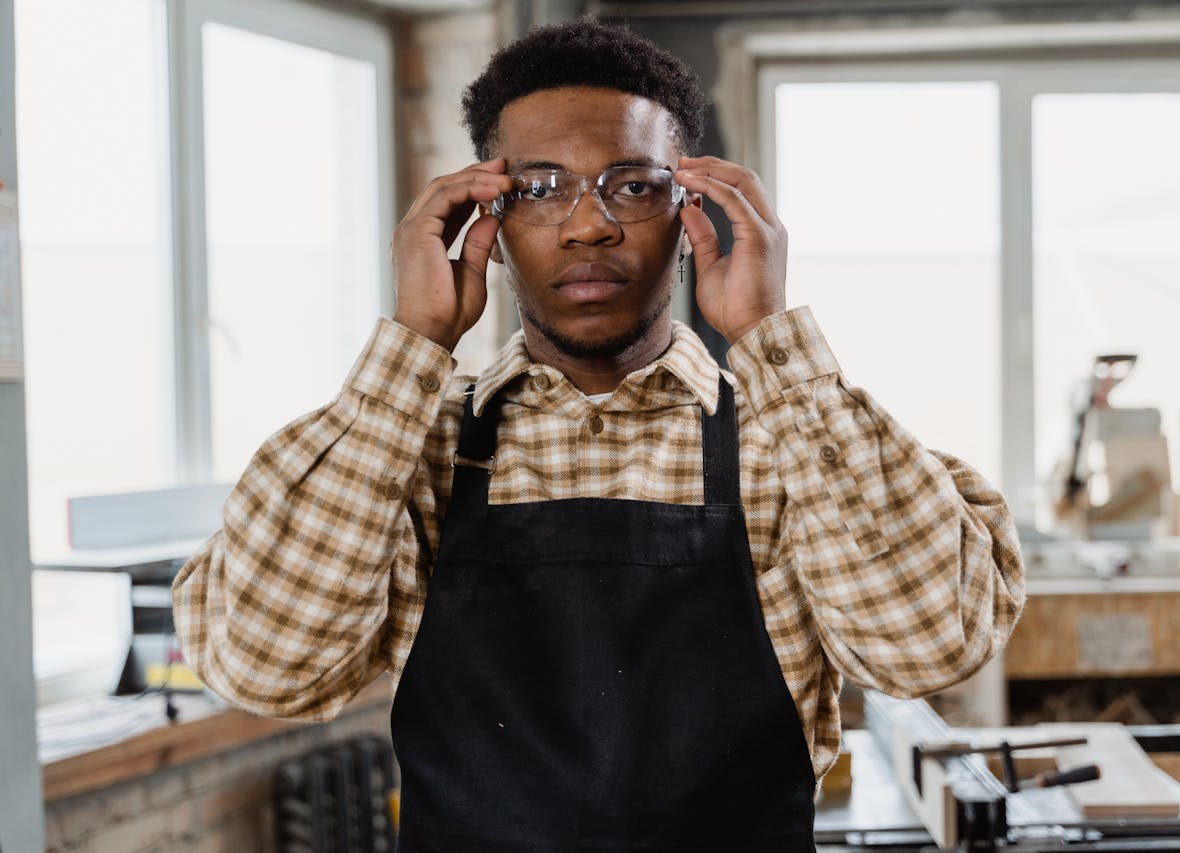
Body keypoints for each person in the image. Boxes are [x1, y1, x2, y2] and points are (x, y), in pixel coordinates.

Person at [172, 18, 1025, 852]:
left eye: (632, 184)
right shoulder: (410, 450)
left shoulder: (793, 438)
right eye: (541, 188)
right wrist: (412, 347)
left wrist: (771, 340)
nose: (589, 226)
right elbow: (264, 667)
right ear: (489, 222)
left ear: (691, 214)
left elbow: (929, 650)